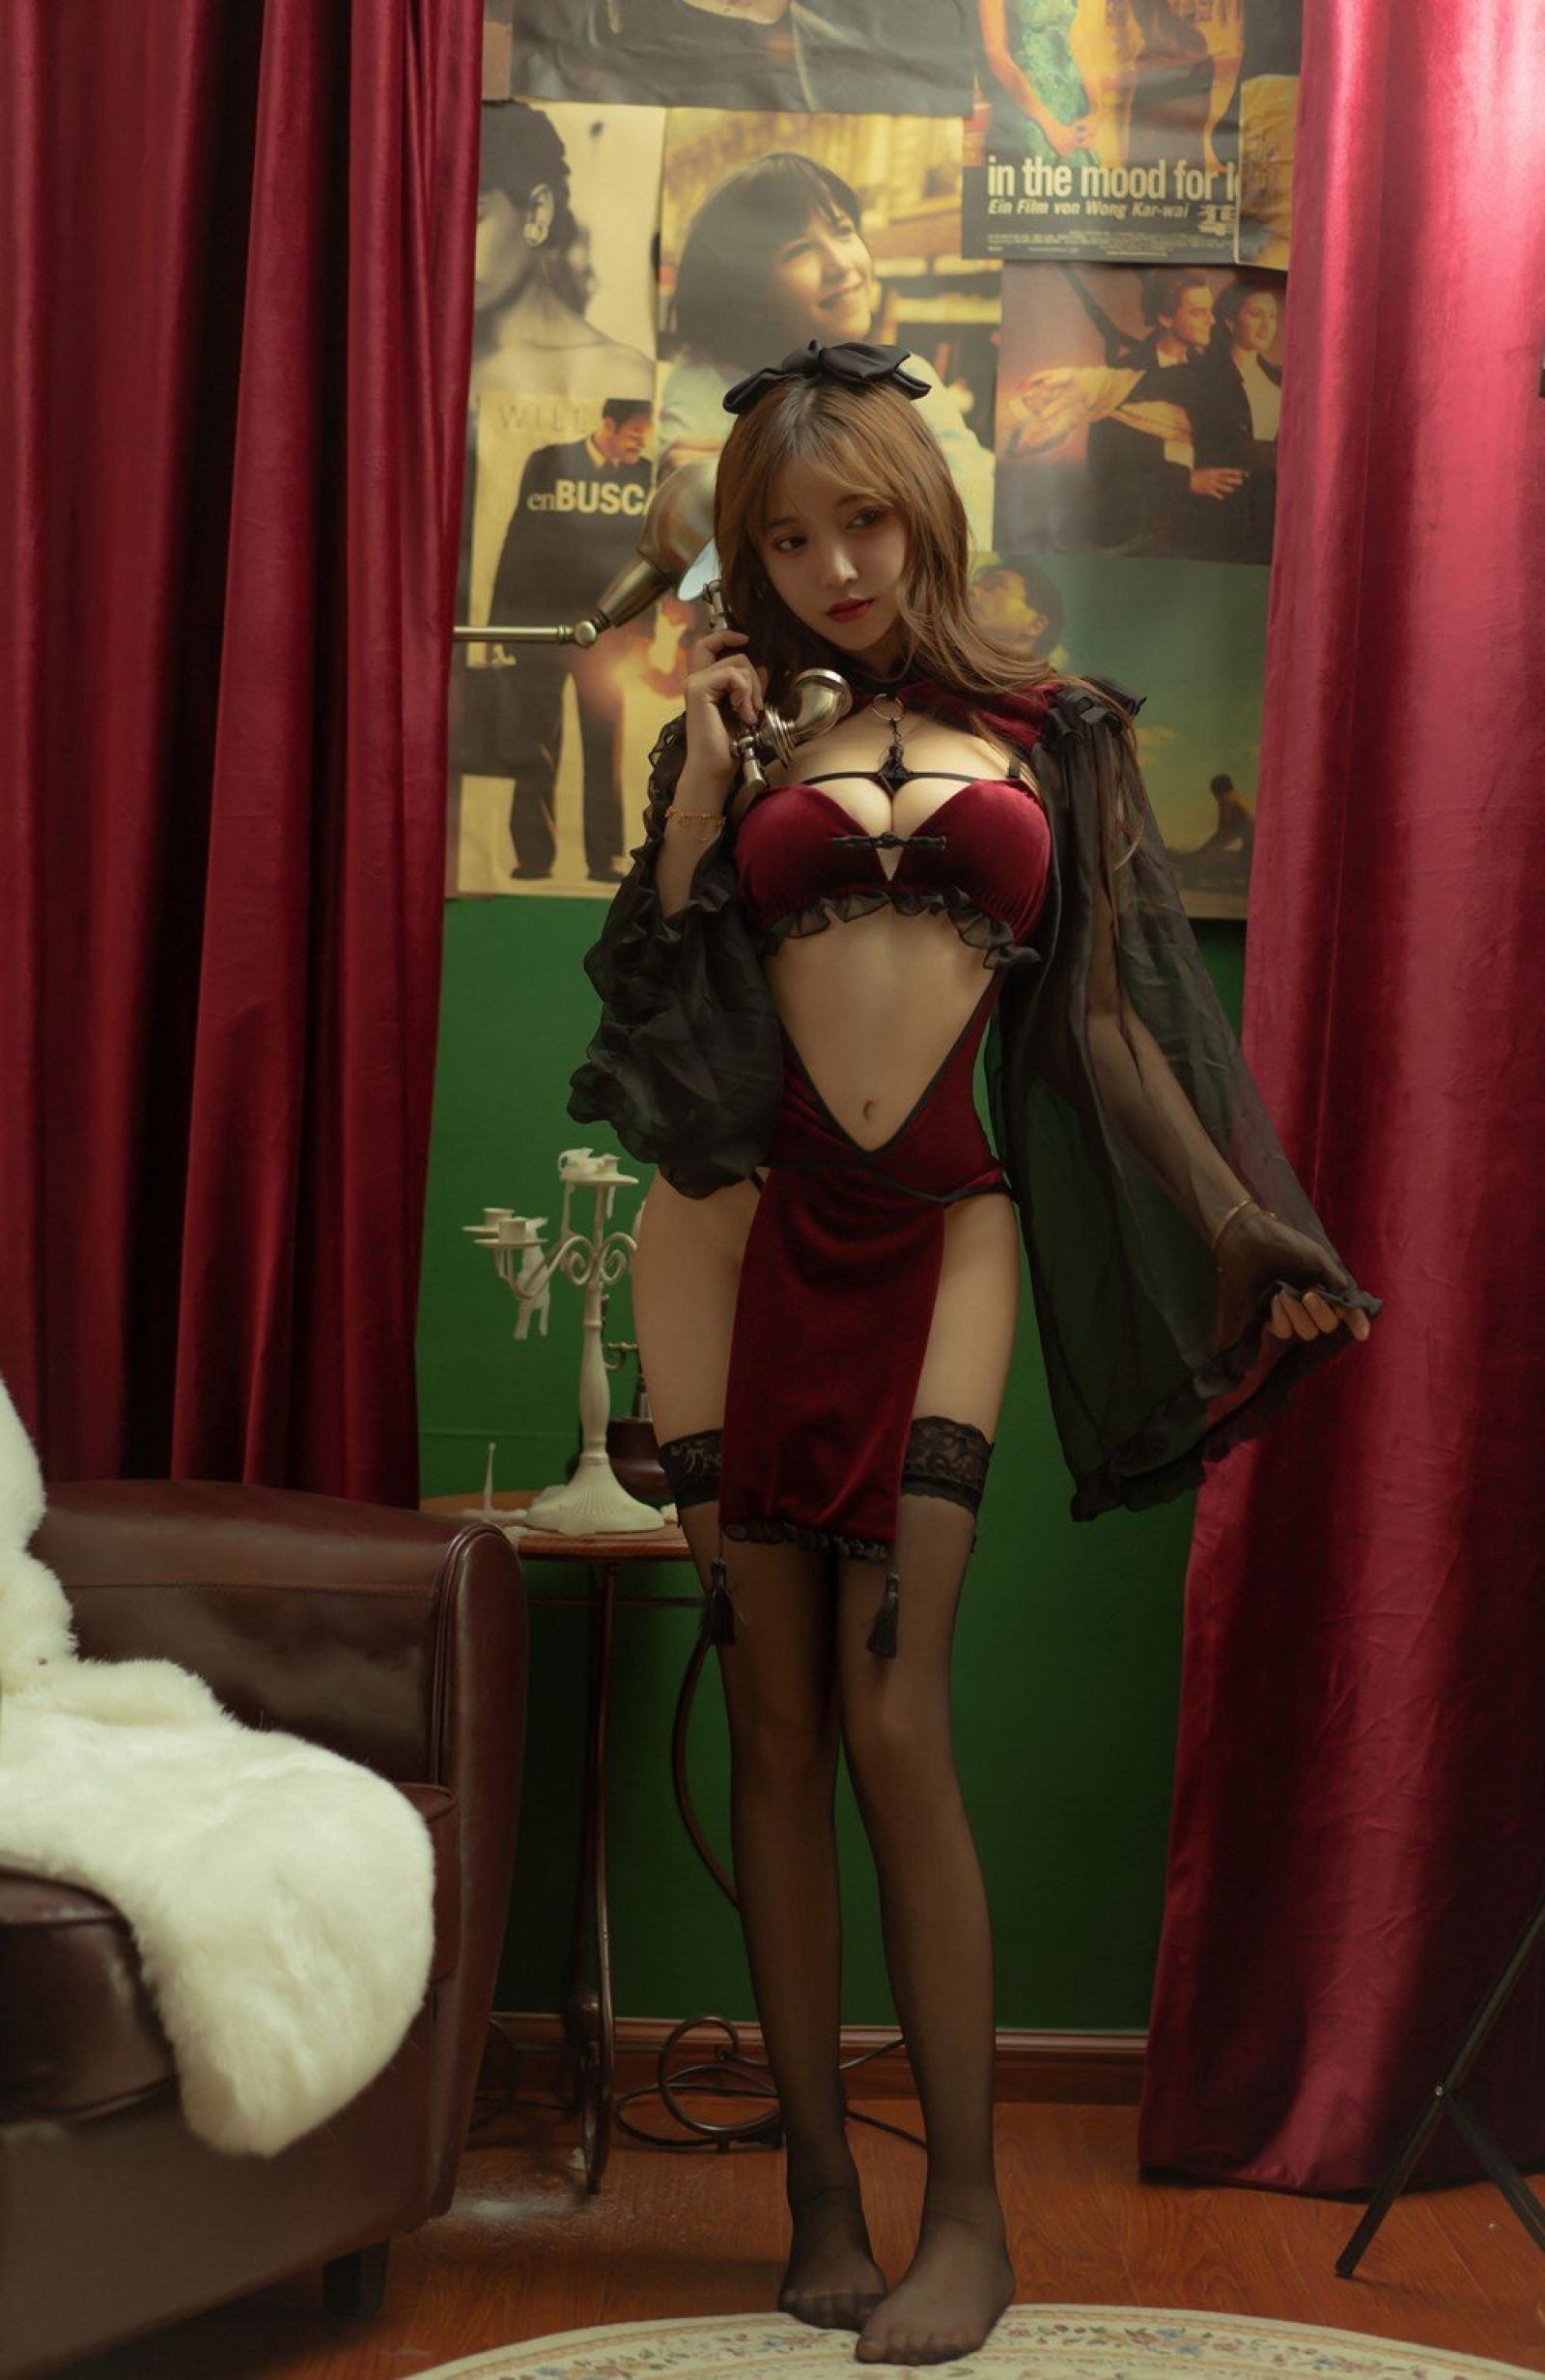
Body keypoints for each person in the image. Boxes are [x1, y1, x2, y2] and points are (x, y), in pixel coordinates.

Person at [568, 340, 1379, 2366]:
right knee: (771, 1722)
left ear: (922, 506)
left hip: (948, 1227)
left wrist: (1237, 1221)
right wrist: (699, 784)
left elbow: (1104, 1023)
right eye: (786, 538)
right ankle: (819, 2191)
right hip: (733, 1234)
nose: (833, 565)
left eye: (860, 518)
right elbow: (653, 990)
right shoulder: (739, 738)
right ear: (750, 555)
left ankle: (967, 2210)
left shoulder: (1056, 734)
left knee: (893, 1711)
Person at [658, 154, 996, 554]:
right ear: (746, 294)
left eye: (843, 231)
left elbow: (974, 525)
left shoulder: (909, 377)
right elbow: (705, 547)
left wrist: (778, 475)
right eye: (799, 250)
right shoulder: (709, 387)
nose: (840, 264)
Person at [488, 398, 654, 881]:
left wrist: (643, 632)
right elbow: (517, 540)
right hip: (537, 626)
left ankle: (605, 858)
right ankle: (533, 856)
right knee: (534, 745)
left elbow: (652, 559)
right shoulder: (546, 462)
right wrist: (499, 623)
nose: (639, 446)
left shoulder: (644, 475)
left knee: (604, 747)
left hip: (608, 632)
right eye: (634, 435)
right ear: (608, 424)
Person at [471, 100, 653, 402]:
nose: (446, 251)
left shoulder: (626, 378)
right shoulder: (424, 366)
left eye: (469, 219)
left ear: (536, 214)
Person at [1181, 279, 1282, 562]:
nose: (1267, 325)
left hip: (1271, 509)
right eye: (1256, 314)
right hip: (1221, 512)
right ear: (1229, 321)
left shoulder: (1282, 376)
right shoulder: (1202, 375)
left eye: (1273, 316)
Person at [976, 0, 1099, 167]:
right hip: (1027, 109)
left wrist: (1095, 111)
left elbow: (1076, 39)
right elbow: (997, 56)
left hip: (1072, 109)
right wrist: (1049, 125)